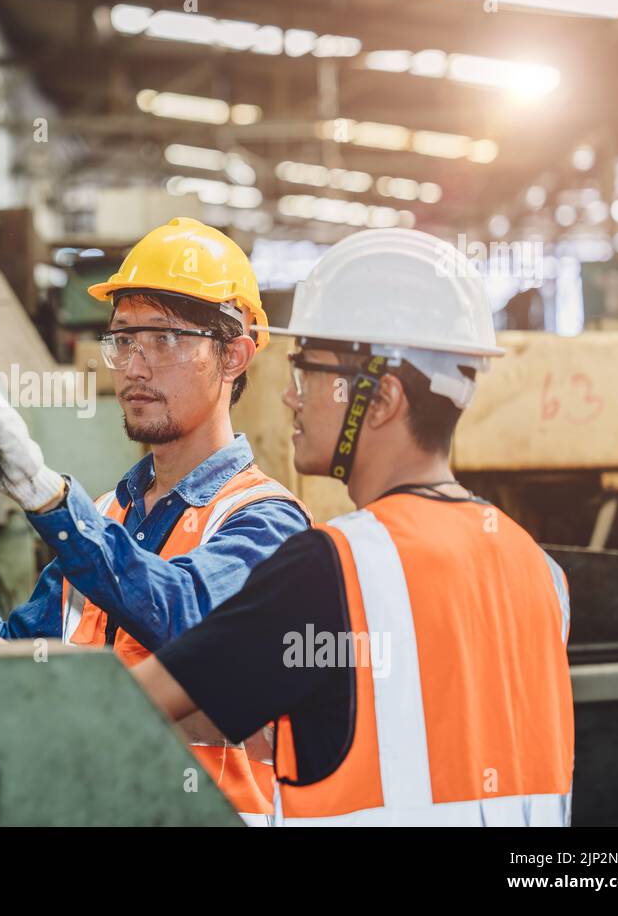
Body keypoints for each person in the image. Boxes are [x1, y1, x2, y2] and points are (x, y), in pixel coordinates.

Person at [0, 217, 310, 824]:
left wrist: (46, 496)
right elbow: (21, 665)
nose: (134, 366)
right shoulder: (107, 518)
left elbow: (193, 627)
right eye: (124, 339)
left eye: (164, 339)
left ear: (233, 353)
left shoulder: (267, 525)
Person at [129, 227, 575, 825]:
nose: (290, 398)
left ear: (384, 398)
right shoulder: (543, 573)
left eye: (310, 372)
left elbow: (130, 705)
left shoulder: (332, 568)